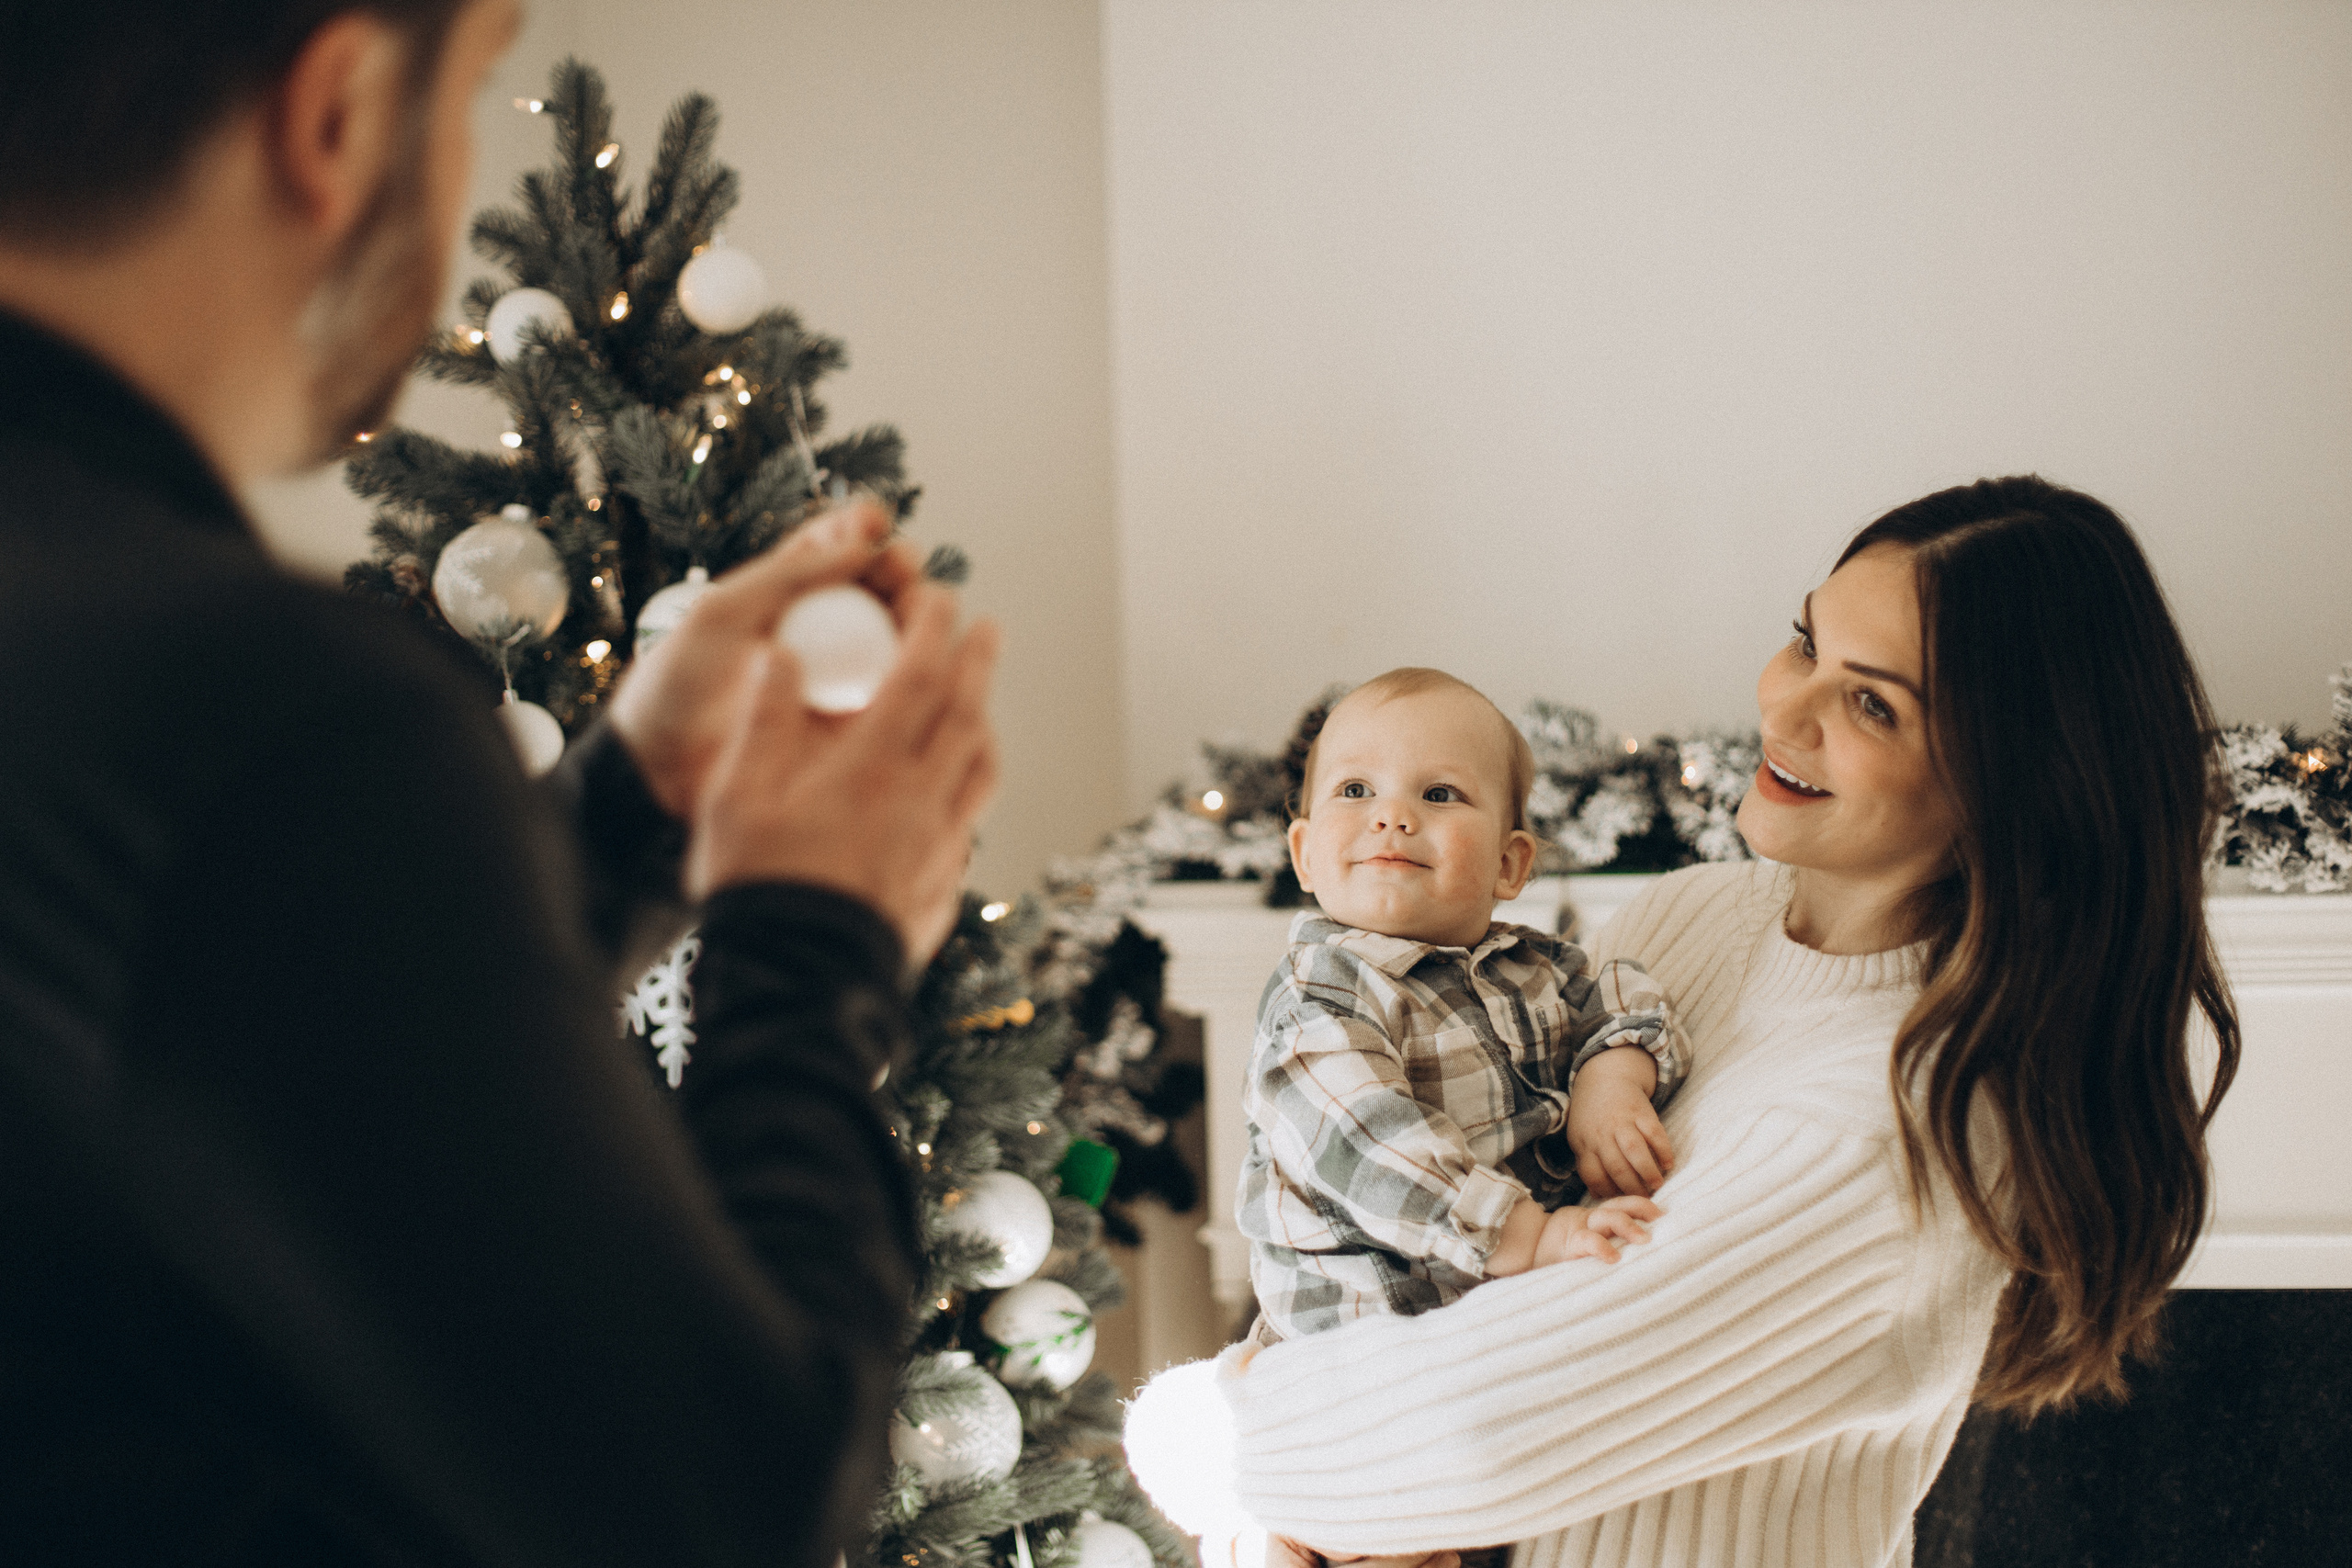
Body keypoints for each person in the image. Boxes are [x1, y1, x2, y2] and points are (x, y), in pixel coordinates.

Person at [0, 3, 998, 1564]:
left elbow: (239, 1039)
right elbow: (721, 1504)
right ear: (334, 113)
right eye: (470, 91)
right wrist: (817, 937)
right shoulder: (263, 705)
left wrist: (629, 818)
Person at [1126, 476, 2240, 1568]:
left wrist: (1188, 1429)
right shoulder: (1693, 913)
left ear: (2006, 783)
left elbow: (1460, 1433)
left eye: (1871, 703)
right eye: (1805, 643)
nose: (1784, 709)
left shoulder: (1887, 1131)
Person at [1242, 667, 1682, 1347]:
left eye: (1439, 793)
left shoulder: (1538, 967)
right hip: (1366, 1339)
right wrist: (1528, 1235)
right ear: (1303, 854)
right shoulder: (1321, 995)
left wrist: (1612, 1082)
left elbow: (1626, 993)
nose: (1392, 815)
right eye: (1355, 789)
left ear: (1510, 864)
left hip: (1509, 1308)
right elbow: (1366, 1146)